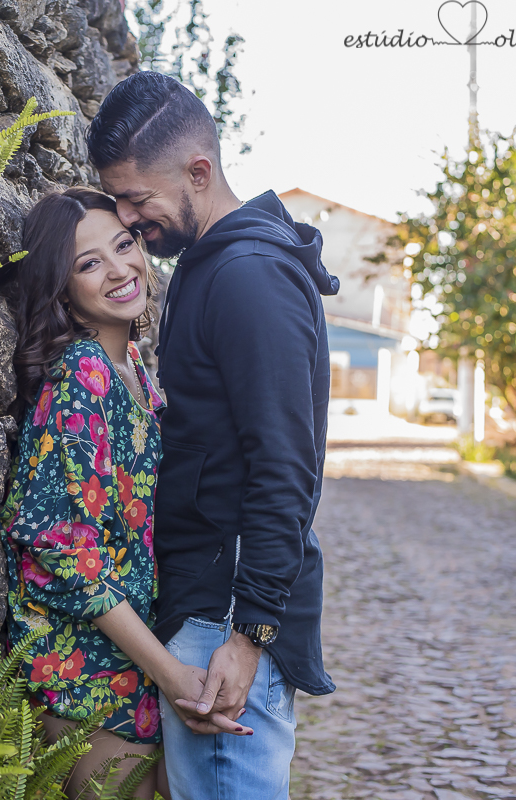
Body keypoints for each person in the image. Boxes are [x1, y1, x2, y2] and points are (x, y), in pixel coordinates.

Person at [85, 71, 340, 800]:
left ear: (199, 171)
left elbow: (287, 465)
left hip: (224, 621)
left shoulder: (248, 276)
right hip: (208, 606)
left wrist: (249, 632)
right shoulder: (213, 263)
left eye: (138, 199)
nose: (130, 222)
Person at [0, 187, 252, 800]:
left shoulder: (134, 369)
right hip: (84, 670)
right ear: (61, 288)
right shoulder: (83, 375)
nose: (119, 269)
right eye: (89, 263)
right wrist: (170, 674)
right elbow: (61, 551)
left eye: (124, 243)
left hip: (133, 660)